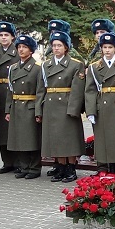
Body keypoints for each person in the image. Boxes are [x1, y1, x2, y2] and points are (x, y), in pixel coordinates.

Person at [37, 30, 86, 183]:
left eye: (60, 45)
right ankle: (61, 167)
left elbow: (77, 90)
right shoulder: (46, 65)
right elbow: (41, 89)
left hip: (66, 104)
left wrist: (74, 109)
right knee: (55, 139)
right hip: (51, 105)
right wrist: (39, 109)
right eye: (54, 45)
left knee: (69, 139)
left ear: (66, 47)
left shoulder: (75, 65)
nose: (56, 48)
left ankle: (71, 168)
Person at [85, 32, 115, 176]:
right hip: (103, 106)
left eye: (110, 47)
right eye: (104, 47)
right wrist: (91, 111)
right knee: (102, 140)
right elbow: (90, 90)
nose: (107, 50)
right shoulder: (95, 67)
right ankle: (103, 170)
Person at [5, 35, 42, 179]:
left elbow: (40, 91)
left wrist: (38, 111)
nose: (21, 50)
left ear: (31, 50)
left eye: (24, 47)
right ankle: (24, 166)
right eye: (19, 47)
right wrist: (8, 109)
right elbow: (10, 90)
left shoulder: (37, 68)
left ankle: (34, 168)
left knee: (32, 139)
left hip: (30, 106)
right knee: (19, 138)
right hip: (16, 106)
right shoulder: (13, 68)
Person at [0, 21, 18, 174]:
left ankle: (19, 161)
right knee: (2, 130)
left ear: (12, 37)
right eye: (1, 35)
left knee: (15, 129)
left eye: (6, 35)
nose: (3, 38)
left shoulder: (18, 51)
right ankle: (7, 162)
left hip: (14, 92)